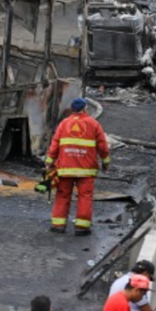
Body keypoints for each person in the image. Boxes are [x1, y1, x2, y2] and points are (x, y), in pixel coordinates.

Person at [46, 97, 110, 236]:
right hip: (86, 170)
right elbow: (103, 147)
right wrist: (106, 163)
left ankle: (58, 225)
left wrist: (49, 162)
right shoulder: (93, 124)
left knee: (62, 195)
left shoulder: (64, 124)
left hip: (65, 168)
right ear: (85, 108)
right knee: (85, 197)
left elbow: (54, 145)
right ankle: (82, 227)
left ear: (72, 109)